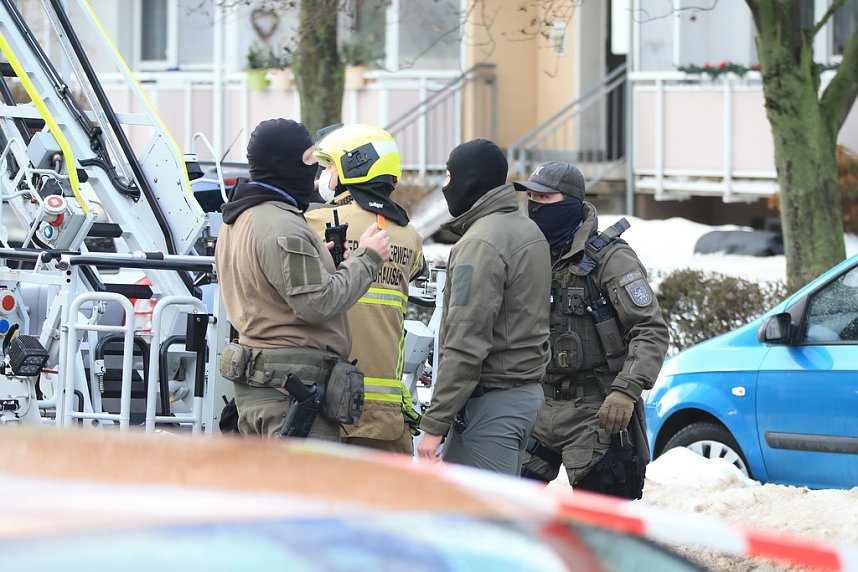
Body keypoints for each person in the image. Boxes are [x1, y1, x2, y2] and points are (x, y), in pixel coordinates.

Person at [215, 118, 391, 440]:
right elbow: (317, 304)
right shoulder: (282, 224)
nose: (313, 171)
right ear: (286, 162)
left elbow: (266, 285)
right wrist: (369, 257)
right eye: (309, 159)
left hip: (261, 391)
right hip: (291, 398)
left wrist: (318, 259)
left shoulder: (238, 218)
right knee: (306, 489)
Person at [514, 161, 669, 499]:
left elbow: (651, 329)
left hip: (595, 412)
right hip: (538, 406)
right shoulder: (530, 254)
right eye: (531, 197)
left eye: (545, 197)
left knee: (602, 528)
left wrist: (626, 391)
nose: (535, 205)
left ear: (571, 202)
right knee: (508, 514)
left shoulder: (611, 260)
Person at [416, 139, 551, 475]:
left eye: (449, 176)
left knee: (482, 519)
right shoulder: (527, 230)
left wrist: (435, 425)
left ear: (469, 180)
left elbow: (466, 341)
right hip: (522, 396)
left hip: (492, 405)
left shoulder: (479, 243)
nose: (445, 186)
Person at [305, 123, 425, 454]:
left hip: (330, 404)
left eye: (328, 165)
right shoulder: (409, 235)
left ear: (350, 166)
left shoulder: (316, 223)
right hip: (386, 414)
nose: (323, 176)